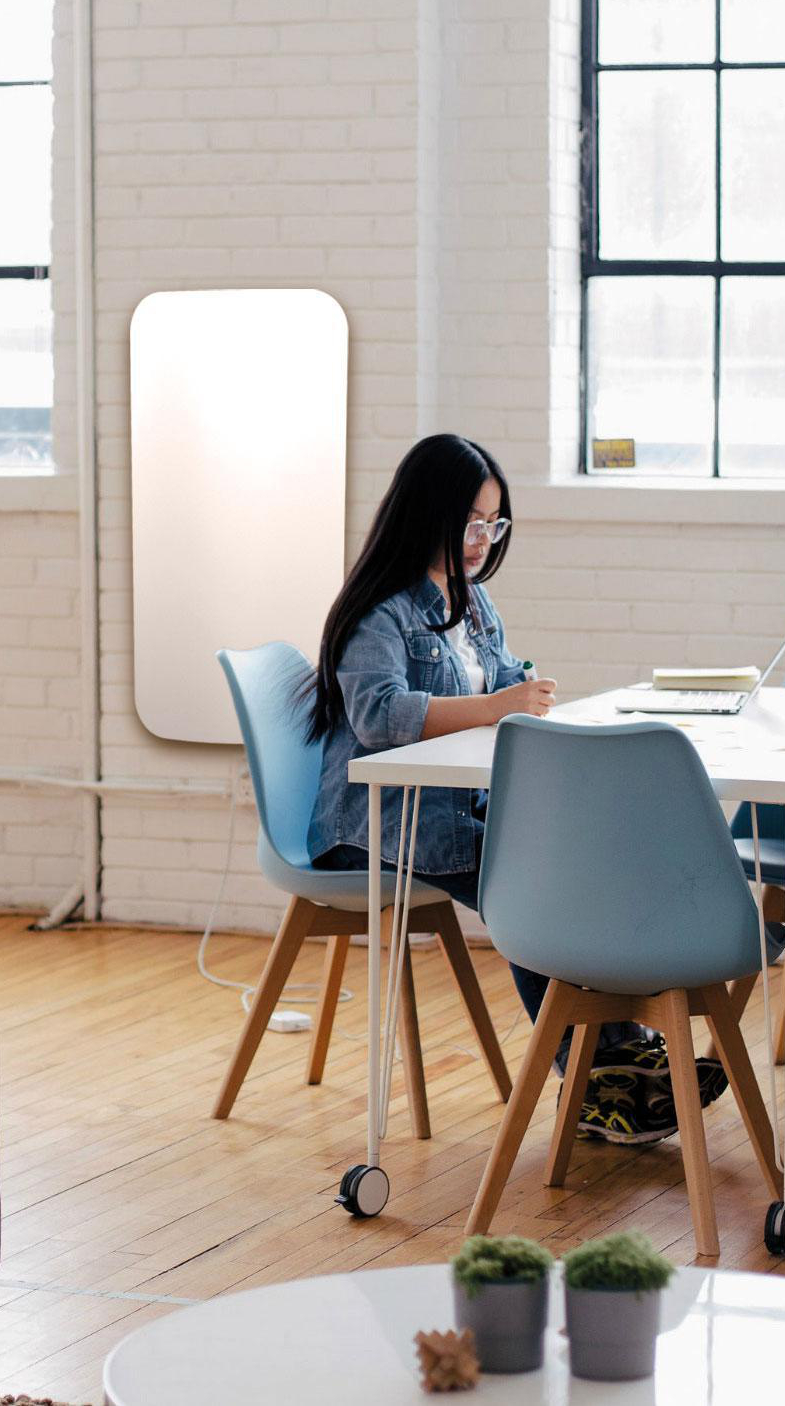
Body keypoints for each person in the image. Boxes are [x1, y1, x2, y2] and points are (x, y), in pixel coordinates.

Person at [303, 433, 727, 1144]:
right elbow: (378, 717)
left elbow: (495, 687)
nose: (482, 539)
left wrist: (519, 694)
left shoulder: (474, 604)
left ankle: (616, 1057)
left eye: (493, 524)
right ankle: (599, 1072)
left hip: (457, 810)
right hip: (376, 828)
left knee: (576, 854)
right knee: (536, 880)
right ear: (426, 511)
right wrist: (499, 706)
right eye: (471, 521)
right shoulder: (380, 610)